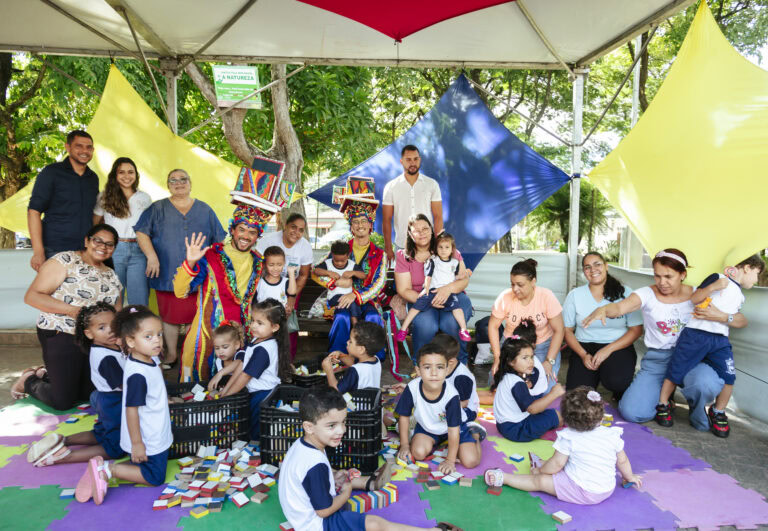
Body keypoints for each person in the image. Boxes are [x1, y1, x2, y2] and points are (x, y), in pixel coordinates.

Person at [582, 248, 732, 431]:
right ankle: (664, 398)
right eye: (657, 276)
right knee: (631, 411)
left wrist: (724, 316)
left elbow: (741, 319)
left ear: (683, 274)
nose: (662, 282)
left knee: (705, 384)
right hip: (659, 359)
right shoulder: (646, 293)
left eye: (669, 276)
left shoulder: (698, 294)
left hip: (692, 359)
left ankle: (697, 408)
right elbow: (621, 308)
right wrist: (605, 310)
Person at [279, 386, 453, 531]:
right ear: (309, 427)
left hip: (300, 516)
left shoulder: (304, 445)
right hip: (317, 525)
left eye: (343, 422)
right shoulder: (314, 464)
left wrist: (336, 475)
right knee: (375, 524)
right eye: (332, 425)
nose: (341, 430)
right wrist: (346, 492)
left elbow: (309, 479)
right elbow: (323, 511)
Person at [12, 224, 123, 410]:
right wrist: (73, 310)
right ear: (87, 241)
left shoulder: (111, 274)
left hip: (93, 340)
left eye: (109, 244)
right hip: (61, 330)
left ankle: (47, 374)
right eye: (98, 240)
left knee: (90, 393)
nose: (103, 247)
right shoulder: (65, 260)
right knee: (62, 401)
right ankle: (29, 380)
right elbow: (32, 296)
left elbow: (116, 312)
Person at [656, 254, 763, 437]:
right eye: (757, 273)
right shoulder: (719, 278)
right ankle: (663, 403)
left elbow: (737, 319)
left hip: (720, 339)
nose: (757, 279)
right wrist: (713, 287)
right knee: (676, 370)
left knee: (729, 376)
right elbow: (695, 298)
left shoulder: (740, 295)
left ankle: (719, 411)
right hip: (696, 335)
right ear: (747, 268)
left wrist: (723, 316)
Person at [75, 305, 172, 505]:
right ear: (130, 341)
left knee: (155, 464)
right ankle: (107, 470)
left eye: (159, 334)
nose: (157, 340)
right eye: (148, 336)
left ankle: (103, 468)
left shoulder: (146, 359)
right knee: (155, 477)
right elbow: (131, 410)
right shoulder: (137, 373)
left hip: (155, 428)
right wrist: (137, 444)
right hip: (147, 436)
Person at [484, 386, 641, 505]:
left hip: (583, 491)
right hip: (606, 489)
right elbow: (622, 461)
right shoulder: (611, 434)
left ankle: (504, 478)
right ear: (600, 417)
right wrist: (629, 477)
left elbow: (556, 464)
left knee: (539, 481)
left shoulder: (569, 437)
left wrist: (540, 470)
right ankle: (538, 467)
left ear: (566, 419)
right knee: (575, 461)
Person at [134, 169, 226, 369]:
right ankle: (171, 355)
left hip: (199, 276)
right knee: (169, 317)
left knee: (198, 317)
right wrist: (151, 257)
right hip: (166, 271)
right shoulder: (157, 208)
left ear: (190, 183)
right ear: (168, 185)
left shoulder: (205, 209)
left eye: (183, 179)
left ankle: (192, 356)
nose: (178, 183)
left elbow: (220, 240)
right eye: (173, 180)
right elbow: (141, 232)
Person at [26, 303, 124, 467]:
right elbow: (125, 385)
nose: (110, 330)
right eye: (102, 327)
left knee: (101, 434)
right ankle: (63, 457)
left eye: (113, 325)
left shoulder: (105, 346)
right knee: (115, 448)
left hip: (107, 401)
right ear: (88, 333)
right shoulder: (107, 357)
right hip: (116, 403)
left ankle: (63, 439)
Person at [311, 178, 387, 363]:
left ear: (370, 224)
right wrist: (332, 281)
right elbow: (315, 271)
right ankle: (338, 357)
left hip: (367, 300)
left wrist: (357, 296)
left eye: (363, 221)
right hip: (342, 299)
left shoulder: (380, 254)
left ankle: (373, 358)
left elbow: (379, 283)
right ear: (351, 226)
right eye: (355, 222)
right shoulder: (340, 249)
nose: (360, 225)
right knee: (342, 317)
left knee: (371, 317)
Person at [563, 252, 643, 400]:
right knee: (576, 396)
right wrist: (583, 354)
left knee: (616, 381)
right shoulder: (574, 295)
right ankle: (593, 375)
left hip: (617, 346)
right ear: (584, 272)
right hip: (585, 346)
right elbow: (567, 330)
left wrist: (608, 350)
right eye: (587, 267)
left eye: (597, 264)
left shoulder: (625, 292)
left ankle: (618, 387)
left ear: (606, 266)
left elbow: (636, 330)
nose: (593, 269)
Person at [394, 215, 473, 364]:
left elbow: (463, 280)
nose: (422, 233)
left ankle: (459, 364)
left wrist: (447, 289)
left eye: (425, 228)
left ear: (431, 230)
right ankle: (421, 366)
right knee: (426, 325)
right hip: (421, 297)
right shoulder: (403, 256)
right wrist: (430, 298)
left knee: (450, 323)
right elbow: (404, 290)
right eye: (416, 230)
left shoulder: (445, 247)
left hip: (453, 294)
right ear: (410, 234)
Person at [396, 342, 483, 472]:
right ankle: (437, 441)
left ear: (447, 370)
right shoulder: (412, 388)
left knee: (470, 461)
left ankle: (474, 435)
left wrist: (450, 460)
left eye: (440, 367)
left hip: (454, 428)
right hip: (428, 428)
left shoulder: (451, 395)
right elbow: (404, 416)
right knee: (418, 453)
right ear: (418, 370)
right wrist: (404, 445)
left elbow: (453, 430)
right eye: (427, 367)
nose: (434, 373)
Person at [28, 130, 99, 271]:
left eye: (89, 147)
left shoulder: (93, 178)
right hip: (55, 249)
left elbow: (94, 215)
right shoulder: (51, 173)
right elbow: (34, 211)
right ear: (68, 147)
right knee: (53, 292)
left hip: (85, 251)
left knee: (82, 292)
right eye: (79, 146)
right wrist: (38, 251)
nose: (84, 151)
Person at [489, 259, 565, 390]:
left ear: (533, 282)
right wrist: (497, 357)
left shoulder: (546, 296)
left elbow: (559, 330)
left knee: (543, 390)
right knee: (498, 385)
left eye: (520, 285)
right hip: (512, 344)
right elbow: (493, 326)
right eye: (512, 284)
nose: (515, 289)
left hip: (542, 345)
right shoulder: (505, 297)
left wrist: (549, 361)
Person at [221, 298, 291, 440]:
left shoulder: (264, 349)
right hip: (256, 392)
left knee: (256, 432)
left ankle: (256, 457)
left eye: (260, 323)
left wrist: (228, 395)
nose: (253, 326)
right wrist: (226, 390)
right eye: (253, 320)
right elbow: (242, 365)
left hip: (263, 395)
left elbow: (246, 375)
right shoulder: (257, 340)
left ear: (275, 327)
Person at [492, 319, 564, 442]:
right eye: (525, 358)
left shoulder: (508, 374)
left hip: (504, 425)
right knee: (557, 416)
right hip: (517, 430)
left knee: (547, 413)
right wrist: (554, 394)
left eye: (531, 357)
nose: (531, 361)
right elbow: (532, 409)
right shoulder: (517, 383)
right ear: (510, 361)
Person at [93, 157, 152, 305]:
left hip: (139, 250)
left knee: (139, 299)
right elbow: (95, 225)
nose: (127, 176)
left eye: (130, 172)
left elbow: (150, 227)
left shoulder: (144, 198)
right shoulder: (105, 196)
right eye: (122, 172)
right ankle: (114, 328)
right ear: (115, 175)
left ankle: (137, 327)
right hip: (113, 250)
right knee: (113, 296)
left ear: (136, 175)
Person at [396, 232, 471, 342]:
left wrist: (465, 274)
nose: (443, 250)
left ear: (452, 249)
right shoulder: (433, 260)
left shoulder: (455, 262)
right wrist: (426, 288)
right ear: (436, 248)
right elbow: (428, 275)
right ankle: (404, 329)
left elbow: (459, 276)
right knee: (416, 307)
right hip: (432, 290)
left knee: (457, 309)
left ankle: (463, 329)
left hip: (448, 293)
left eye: (447, 247)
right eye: (440, 247)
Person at [256, 213, 312, 358]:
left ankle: (287, 362)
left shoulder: (304, 246)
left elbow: (304, 274)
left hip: (291, 288)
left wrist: (291, 300)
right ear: (285, 225)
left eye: (301, 230)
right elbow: (255, 268)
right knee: (264, 323)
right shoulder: (268, 241)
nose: (297, 232)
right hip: (267, 289)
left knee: (287, 327)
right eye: (294, 227)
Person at [382, 145, 443, 264]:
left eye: (415, 159)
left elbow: (438, 216)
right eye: (408, 159)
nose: (412, 163)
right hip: (402, 246)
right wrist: (388, 248)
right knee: (402, 282)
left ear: (419, 160)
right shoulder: (391, 187)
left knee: (429, 281)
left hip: (428, 246)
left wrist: (438, 244)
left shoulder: (432, 184)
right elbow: (386, 219)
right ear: (401, 161)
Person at [313, 240, 366, 326]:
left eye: (342, 261)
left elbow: (363, 275)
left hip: (349, 297)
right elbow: (316, 271)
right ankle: (356, 324)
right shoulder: (328, 263)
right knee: (351, 303)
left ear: (348, 255)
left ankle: (355, 323)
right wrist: (329, 273)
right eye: (336, 260)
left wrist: (353, 273)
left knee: (353, 302)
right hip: (333, 298)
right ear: (332, 255)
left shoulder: (352, 265)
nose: (339, 263)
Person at [321, 321, 386, 393]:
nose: (347, 342)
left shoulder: (354, 370)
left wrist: (329, 370)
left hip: (355, 404)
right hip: (372, 403)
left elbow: (336, 390)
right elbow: (354, 363)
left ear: (361, 349)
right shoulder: (376, 360)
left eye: (351, 341)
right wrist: (340, 355)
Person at [207, 320, 246, 392]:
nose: (220, 351)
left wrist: (220, 373)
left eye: (225, 347)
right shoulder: (218, 361)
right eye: (217, 348)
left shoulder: (240, 354)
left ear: (237, 345)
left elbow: (239, 363)